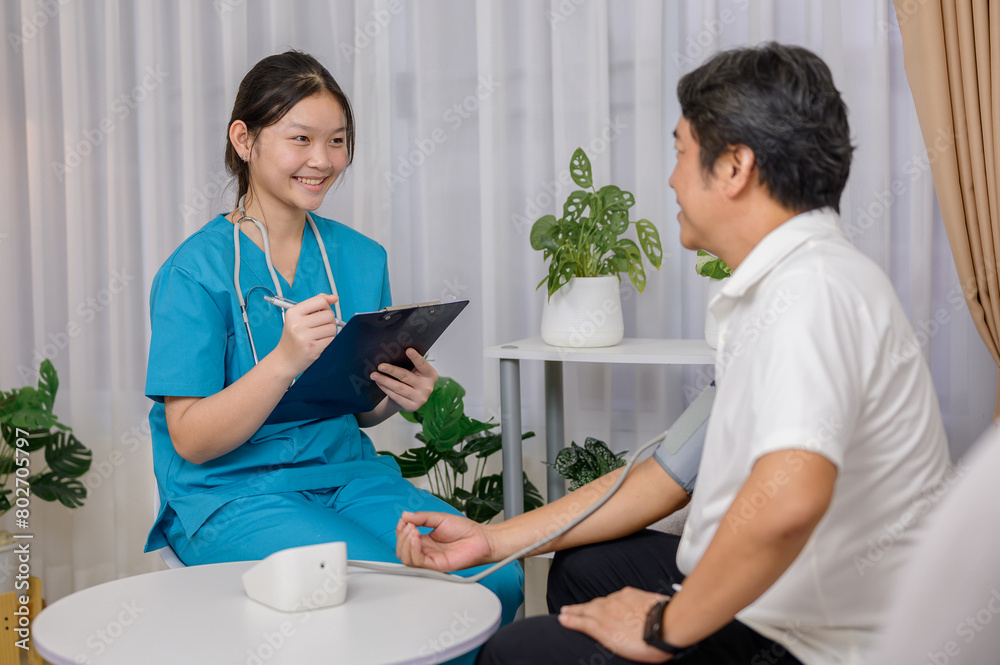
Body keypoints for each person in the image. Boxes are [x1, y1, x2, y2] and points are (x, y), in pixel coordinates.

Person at [396, 42, 952, 665]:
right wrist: (492, 539)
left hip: (816, 640)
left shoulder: (808, 294)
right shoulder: (790, 284)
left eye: (682, 152)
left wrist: (665, 624)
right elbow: (666, 475)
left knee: (518, 653)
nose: (671, 178)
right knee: (587, 569)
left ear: (735, 167)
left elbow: (790, 501)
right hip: (784, 597)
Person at [143, 50, 523, 644]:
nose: (322, 160)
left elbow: (358, 408)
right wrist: (284, 361)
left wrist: (397, 391)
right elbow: (190, 439)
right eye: (300, 138)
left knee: (493, 578)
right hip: (233, 493)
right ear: (244, 140)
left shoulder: (361, 258)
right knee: (386, 600)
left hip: (348, 475)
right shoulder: (194, 273)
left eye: (337, 141)